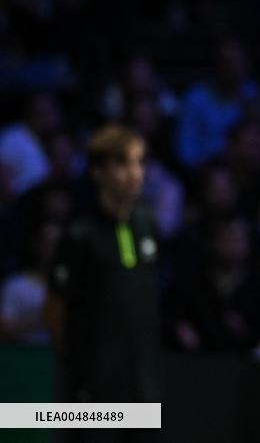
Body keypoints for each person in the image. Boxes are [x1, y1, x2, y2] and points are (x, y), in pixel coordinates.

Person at [45, 124, 161, 416]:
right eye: (122, 164)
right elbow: (55, 308)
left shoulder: (146, 222)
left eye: (138, 163)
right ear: (98, 173)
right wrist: (78, 366)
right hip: (93, 387)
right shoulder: (80, 234)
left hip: (142, 383)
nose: (135, 173)